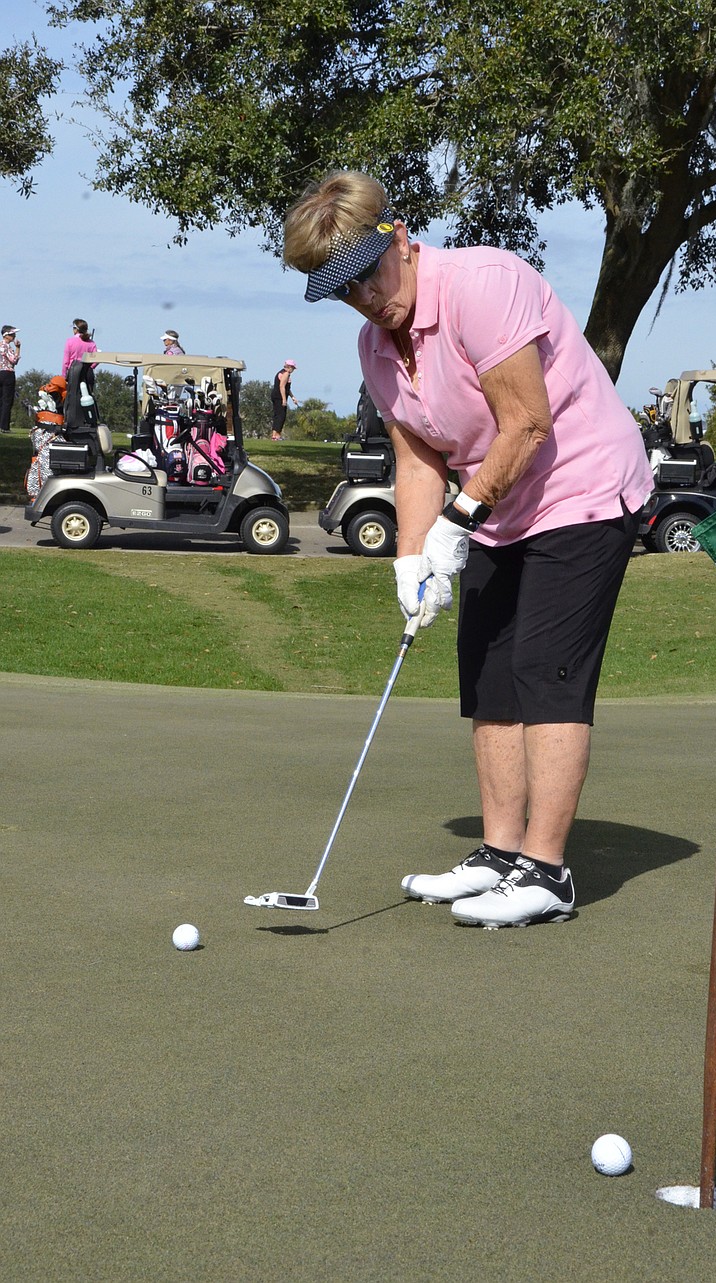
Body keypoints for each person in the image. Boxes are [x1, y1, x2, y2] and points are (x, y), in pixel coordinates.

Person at [284, 171, 653, 930]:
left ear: (401, 238)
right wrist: (410, 561)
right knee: (488, 672)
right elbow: (417, 455)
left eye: (366, 276)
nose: (365, 298)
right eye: (342, 291)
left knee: (544, 671)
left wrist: (459, 519)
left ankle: (547, 873)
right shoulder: (375, 346)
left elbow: (526, 423)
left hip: (582, 488)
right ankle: (497, 854)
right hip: (500, 504)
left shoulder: (482, 283)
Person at [270, 360, 299, 439]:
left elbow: (287, 389)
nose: (293, 370)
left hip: (276, 395)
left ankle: (274, 435)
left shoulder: (281, 373)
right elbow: (282, 386)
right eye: (292, 368)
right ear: (289, 367)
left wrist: (292, 397)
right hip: (279, 397)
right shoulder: (286, 374)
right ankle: (276, 435)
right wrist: (284, 399)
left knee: (277, 415)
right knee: (281, 416)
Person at [0, 325, 21, 432]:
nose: (14, 336)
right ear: (6, 335)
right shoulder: (7, 346)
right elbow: (13, 360)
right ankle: (4, 426)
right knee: (7, 400)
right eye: (12, 334)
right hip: (7, 373)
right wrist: (18, 348)